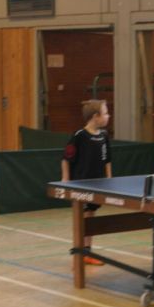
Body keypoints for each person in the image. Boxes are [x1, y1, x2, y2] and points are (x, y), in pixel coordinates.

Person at [61, 99, 113, 266]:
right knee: (81, 220)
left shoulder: (104, 136)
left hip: (98, 185)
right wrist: (66, 180)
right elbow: (66, 158)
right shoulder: (79, 136)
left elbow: (107, 160)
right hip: (81, 186)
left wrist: (109, 179)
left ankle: (87, 252)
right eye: (105, 113)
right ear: (96, 116)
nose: (108, 116)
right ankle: (79, 254)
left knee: (90, 218)